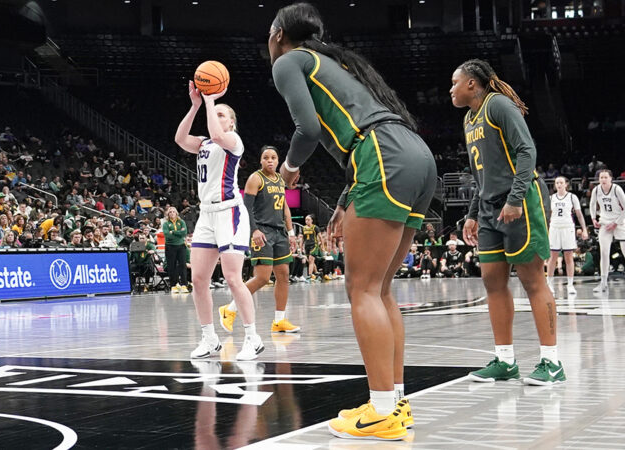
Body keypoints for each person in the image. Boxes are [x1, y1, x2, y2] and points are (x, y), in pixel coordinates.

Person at [270, 3, 435, 439]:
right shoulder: (333, 62)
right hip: (412, 153)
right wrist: (345, 200)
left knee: (360, 288)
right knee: (380, 289)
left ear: (279, 33)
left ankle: (380, 412)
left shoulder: (289, 60)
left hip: (381, 155)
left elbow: (306, 129)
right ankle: (394, 402)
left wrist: (287, 171)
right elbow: (363, 125)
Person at [452, 59, 566, 389]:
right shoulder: (468, 119)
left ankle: (552, 362)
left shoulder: (498, 105)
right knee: (492, 280)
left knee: (532, 279)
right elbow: (480, 172)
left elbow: (526, 151)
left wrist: (515, 199)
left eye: (454, 82)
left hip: (520, 201)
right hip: (489, 207)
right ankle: (505, 361)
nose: (451, 89)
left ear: (472, 83)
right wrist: (472, 212)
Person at [173, 74, 262, 361]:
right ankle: (209, 338)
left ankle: (252, 337)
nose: (217, 115)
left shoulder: (232, 141)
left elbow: (218, 132)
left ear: (231, 122)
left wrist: (211, 100)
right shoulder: (203, 143)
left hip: (229, 212)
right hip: (206, 215)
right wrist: (196, 105)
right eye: (216, 112)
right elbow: (179, 138)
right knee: (198, 279)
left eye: (223, 113)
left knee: (233, 278)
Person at [220, 146, 299, 334]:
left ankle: (279, 321)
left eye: (273, 157)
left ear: (278, 161)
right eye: (266, 157)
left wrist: (291, 233)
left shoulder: (280, 180)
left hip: (279, 232)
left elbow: (285, 208)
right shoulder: (256, 178)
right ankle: (229, 310)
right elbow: (245, 207)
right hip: (261, 231)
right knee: (262, 278)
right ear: (260, 161)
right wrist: (254, 230)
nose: (270, 160)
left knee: (284, 276)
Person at [590, 169, 625, 293]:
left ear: (610, 179)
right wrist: (593, 218)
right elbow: (592, 204)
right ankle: (603, 283)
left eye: (605, 177)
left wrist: (615, 223)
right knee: (604, 252)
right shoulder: (596, 190)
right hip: (605, 222)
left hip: (620, 222)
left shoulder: (616, 189)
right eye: (601, 177)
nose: (603, 180)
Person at [547, 176, 589, 294]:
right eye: (557, 183)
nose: (559, 185)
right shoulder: (551, 198)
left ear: (566, 184)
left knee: (568, 256)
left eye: (561, 182)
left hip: (568, 228)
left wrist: (584, 229)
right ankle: (549, 283)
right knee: (552, 256)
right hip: (554, 228)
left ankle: (570, 284)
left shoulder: (572, 197)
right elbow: (546, 215)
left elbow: (579, 215)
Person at [161, 206, 189, 293]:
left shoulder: (181, 222)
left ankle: (184, 284)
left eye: (173, 212)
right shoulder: (165, 224)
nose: (172, 213)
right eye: (170, 212)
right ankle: (173, 285)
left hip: (181, 246)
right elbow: (167, 235)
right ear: (168, 214)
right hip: (170, 246)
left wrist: (173, 232)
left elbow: (184, 232)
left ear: (176, 213)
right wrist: (178, 233)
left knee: (182, 265)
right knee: (171, 266)